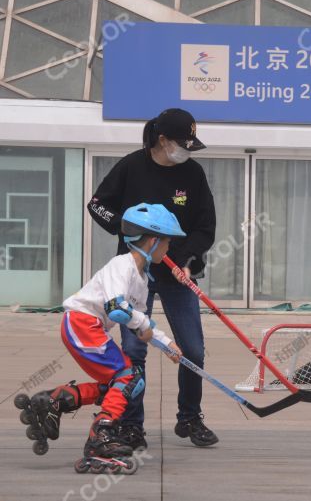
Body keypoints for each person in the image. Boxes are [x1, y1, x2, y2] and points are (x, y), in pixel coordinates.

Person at [16, 204, 183, 471]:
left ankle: (59, 400)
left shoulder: (141, 278)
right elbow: (116, 309)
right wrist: (142, 325)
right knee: (127, 378)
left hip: (88, 327)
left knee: (125, 382)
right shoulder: (122, 265)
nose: (169, 248)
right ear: (153, 241)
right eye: (167, 241)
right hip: (82, 323)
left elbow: (141, 322)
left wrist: (166, 344)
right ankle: (99, 438)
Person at [87, 108, 218, 449]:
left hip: (178, 272)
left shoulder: (193, 174)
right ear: (162, 140)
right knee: (134, 349)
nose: (186, 150)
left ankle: (189, 417)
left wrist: (187, 261)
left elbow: (206, 227)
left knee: (192, 350)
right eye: (181, 143)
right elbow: (97, 204)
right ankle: (131, 425)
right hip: (137, 273)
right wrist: (128, 228)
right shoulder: (131, 166)